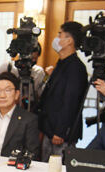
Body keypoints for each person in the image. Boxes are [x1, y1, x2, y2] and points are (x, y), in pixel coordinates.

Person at [37, 21, 88, 161]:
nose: (57, 38)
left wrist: (61, 131)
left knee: (57, 170)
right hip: (49, 128)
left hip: (60, 133)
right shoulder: (62, 62)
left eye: (60, 35)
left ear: (69, 41)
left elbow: (70, 101)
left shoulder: (76, 68)